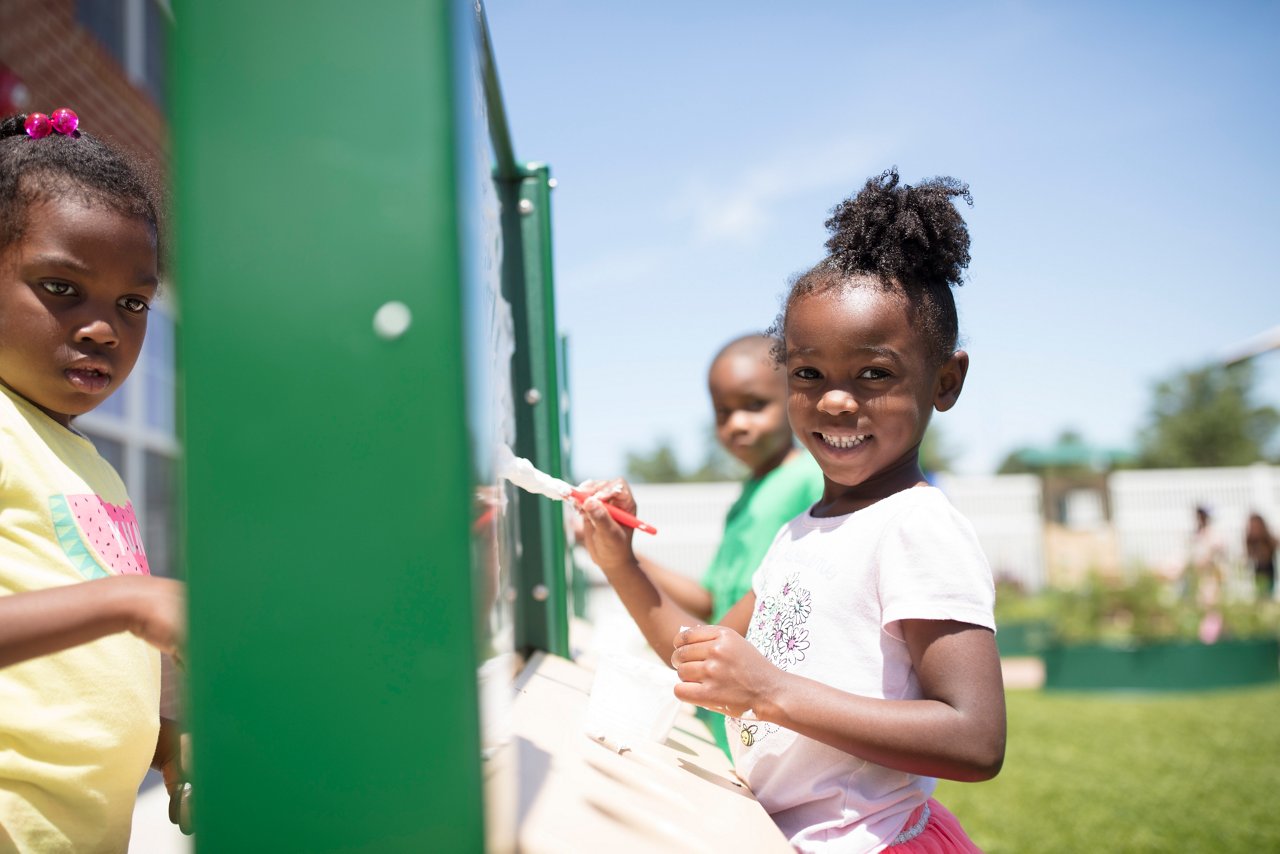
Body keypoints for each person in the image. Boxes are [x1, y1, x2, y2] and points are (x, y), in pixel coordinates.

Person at [576, 168, 1005, 852]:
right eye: (809, 375)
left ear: (945, 381)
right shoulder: (801, 532)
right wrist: (619, 562)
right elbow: (703, 659)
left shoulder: (917, 527)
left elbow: (976, 738)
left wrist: (771, 690)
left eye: (874, 374)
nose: (836, 400)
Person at [0, 109, 190, 850]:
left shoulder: (89, 465)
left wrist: (162, 742)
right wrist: (127, 599)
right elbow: (113, 613)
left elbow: (59, 687)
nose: (104, 329)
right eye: (60, 287)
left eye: (133, 304)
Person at [635, 333, 824, 756]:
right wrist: (627, 555)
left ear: (794, 397)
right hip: (724, 709)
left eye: (755, 405)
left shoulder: (814, 479)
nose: (737, 423)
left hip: (769, 716)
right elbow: (712, 600)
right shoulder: (746, 496)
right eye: (723, 412)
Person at [1188, 505, 1227, 643]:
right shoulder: (1195, 536)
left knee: (1213, 612)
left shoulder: (1214, 536)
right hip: (1199, 582)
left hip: (1211, 581)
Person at [1245, 512, 1276, 599]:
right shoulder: (1251, 540)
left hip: (1268, 571)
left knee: (1268, 593)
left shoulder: (1267, 540)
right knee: (1260, 593)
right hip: (1258, 571)